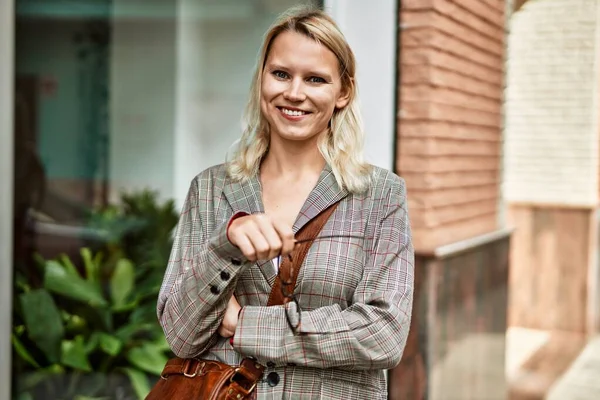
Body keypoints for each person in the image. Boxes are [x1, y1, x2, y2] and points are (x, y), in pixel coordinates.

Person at [157, 6, 414, 399]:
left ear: (342, 92)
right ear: (262, 79)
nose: (294, 93)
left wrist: (245, 324)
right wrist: (225, 246)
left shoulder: (380, 195)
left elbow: (383, 334)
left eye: (315, 79)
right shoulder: (210, 189)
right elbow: (181, 333)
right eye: (281, 74)